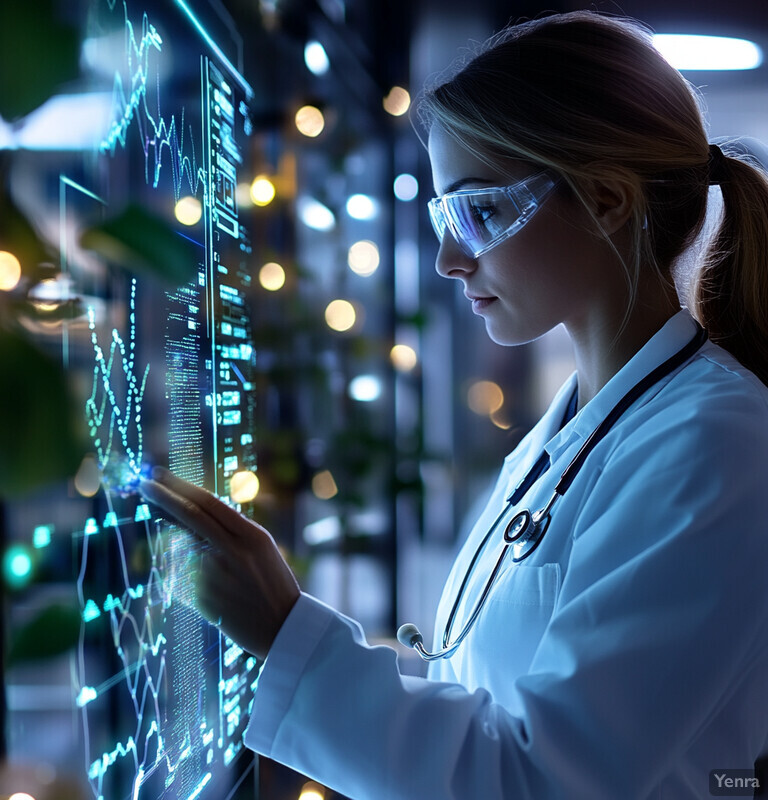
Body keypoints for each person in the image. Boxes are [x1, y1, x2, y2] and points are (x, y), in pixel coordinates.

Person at [139, 10, 768, 798]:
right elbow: (495, 700)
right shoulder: (573, 434)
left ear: (607, 199)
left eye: (480, 211)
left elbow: (544, 779)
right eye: (445, 216)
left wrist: (288, 631)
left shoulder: (715, 440)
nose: (448, 257)